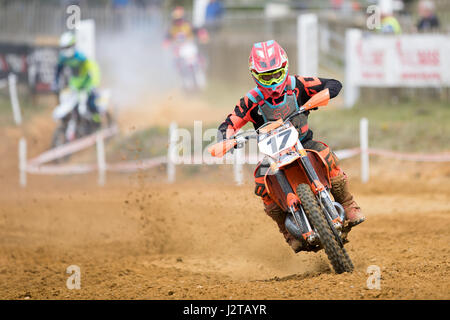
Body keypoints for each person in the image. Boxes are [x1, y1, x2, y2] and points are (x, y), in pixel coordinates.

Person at [216, 40, 365, 252]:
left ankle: (349, 205)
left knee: (326, 154)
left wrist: (324, 94)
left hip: (305, 144)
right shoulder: (250, 101)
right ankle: (286, 231)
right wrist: (225, 138)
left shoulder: (298, 84)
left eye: (277, 74)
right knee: (261, 181)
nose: (273, 80)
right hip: (273, 155)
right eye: (266, 76)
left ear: (285, 67)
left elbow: (333, 83)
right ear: (255, 75)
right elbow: (230, 122)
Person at [53, 31, 101, 123]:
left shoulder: (81, 56)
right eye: (64, 47)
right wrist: (55, 82)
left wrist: (95, 81)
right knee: (67, 100)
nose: (65, 50)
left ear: (72, 45)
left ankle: (97, 121)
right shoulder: (63, 58)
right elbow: (58, 70)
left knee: (91, 102)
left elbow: (93, 68)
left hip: (87, 83)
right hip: (74, 85)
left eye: (67, 47)